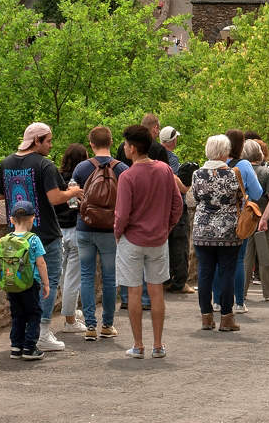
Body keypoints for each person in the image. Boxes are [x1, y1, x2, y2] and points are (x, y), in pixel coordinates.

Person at [0, 122, 83, 352]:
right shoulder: (44, 165)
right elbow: (55, 198)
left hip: (16, 235)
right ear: (37, 141)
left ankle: (23, 335)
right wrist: (73, 192)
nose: (51, 145)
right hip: (45, 235)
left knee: (21, 285)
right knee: (47, 282)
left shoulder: (6, 163)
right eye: (48, 141)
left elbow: (1, 195)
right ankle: (42, 332)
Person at [114, 123, 183, 359]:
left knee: (134, 292)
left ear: (132, 148)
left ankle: (138, 344)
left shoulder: (127, 176)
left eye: (126, 144)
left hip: (132, 240)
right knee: (156, 292)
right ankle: (158, 344)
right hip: (158, 239)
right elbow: (177, 205)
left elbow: (122, 214)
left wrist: (118, 233)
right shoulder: (165, 170)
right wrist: (166, 227)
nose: (124, 148)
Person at [71, 126, 128, 340]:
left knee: (86, 276)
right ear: (111, 142)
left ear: (91, 144)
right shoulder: (122, 169)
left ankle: (90, 326)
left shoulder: (81, 168)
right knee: (110, 277)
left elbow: (73, 201)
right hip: (110, 230)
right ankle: (107, 325)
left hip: (85, 227)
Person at [190, 135, 245, 332]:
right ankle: (226, 318)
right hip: (227, 230)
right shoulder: (232, 174)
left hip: (202, 229)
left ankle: (206, 317)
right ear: (224, 152)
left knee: (205, 272)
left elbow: (195, 197)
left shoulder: (197, 174)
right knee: (226, 273)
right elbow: (240, 197)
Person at [0, 201, 49, 361]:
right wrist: (46, 283)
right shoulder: (33, 239)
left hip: (11, 283)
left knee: (17, 315)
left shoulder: (5, 239)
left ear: (11, 220)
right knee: (34, 314)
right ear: (32, 218)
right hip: (30, 284)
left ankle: (16, 347)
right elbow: (41, 263)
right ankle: (29, 347)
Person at [223, 128, 264, 313]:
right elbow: (257, 193)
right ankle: (239, 302)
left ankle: (217, 301)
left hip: (216, 220)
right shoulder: (244, 165)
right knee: (239, 260)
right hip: (239, 218)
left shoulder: (217, 164)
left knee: (218, 262)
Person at [242, 139, 269, 302]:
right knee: (266, 257)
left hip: (244, 220)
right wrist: (264, 218)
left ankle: (240, 292)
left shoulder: (238, 170)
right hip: (263, 221)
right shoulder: (266, 172)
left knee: (245, 258)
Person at [56, 143, 88, 334]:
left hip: (57, 230)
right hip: (75, 229)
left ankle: (70, 309)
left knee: (62, 276)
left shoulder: (56, 177)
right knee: (73, 278)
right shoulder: (79, 181)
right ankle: (70, 319)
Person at [160, 125, 194, 293]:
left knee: (163, 245)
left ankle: (165, 279)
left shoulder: (154, 155)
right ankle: (180, 282)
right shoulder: (171, 158)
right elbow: (172, 177)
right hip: (176, 206)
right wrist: (184, 188)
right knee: (180, 244)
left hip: (161, 207)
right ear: (172, 141)